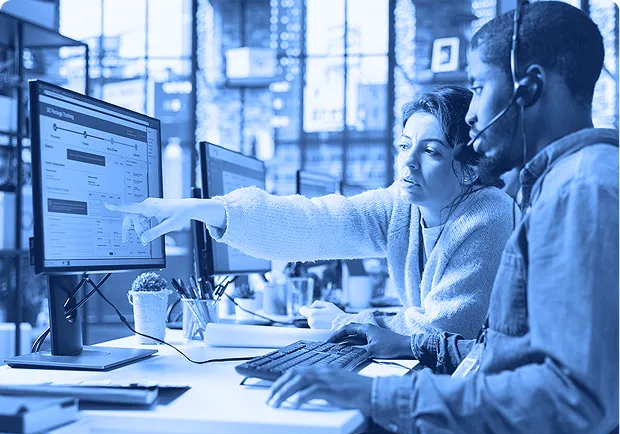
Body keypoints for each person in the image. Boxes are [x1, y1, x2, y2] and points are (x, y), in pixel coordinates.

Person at [266, 2, 619, 434]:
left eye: (479, 85)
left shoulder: (580, 193)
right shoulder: (566, 184)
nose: (471, 117)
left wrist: (378, 394)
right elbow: (515, 358)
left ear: (529, 88)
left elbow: (569, 402)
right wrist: (416, 344)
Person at [108, 85, 514, 339]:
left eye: (431, 151)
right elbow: (313, 222)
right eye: (405, 145)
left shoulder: (489, 215)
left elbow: (443, 330)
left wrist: (348, 323)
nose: (408, 163)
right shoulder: (400, 205)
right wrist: (204, 210)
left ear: (470, 166)